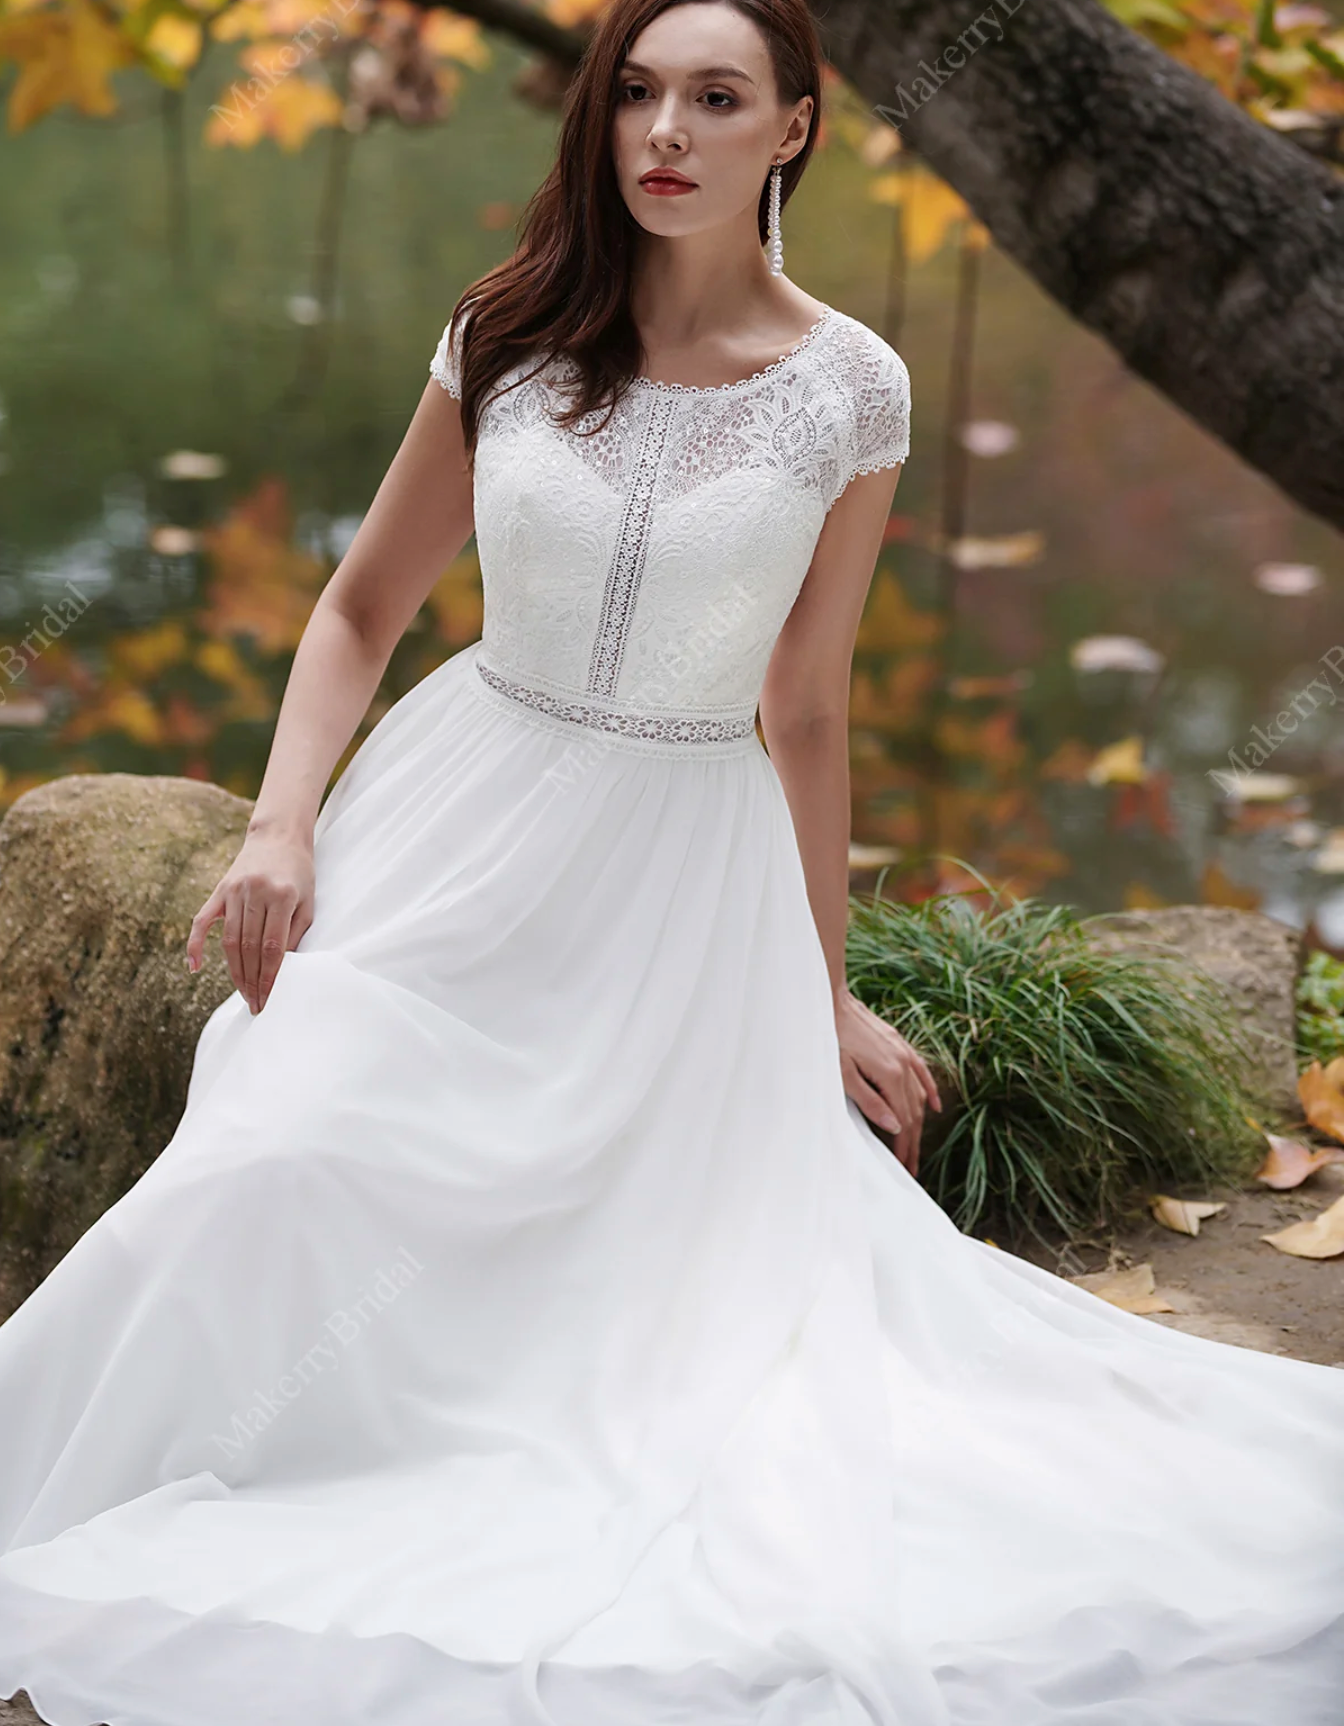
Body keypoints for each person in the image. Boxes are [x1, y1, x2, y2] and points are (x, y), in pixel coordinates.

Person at [2, 0, 1342, 1721]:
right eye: (637, 90)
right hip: (456, 828)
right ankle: (186, 1463)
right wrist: (278, 827)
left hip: (680, 885)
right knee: (286, 1139)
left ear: (792, 128)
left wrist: (822, 995)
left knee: (668, 1356)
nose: (667, 131)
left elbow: (805, 706)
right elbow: (355, 606)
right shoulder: (506, 330)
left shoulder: (852, 384)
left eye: (718, 98)